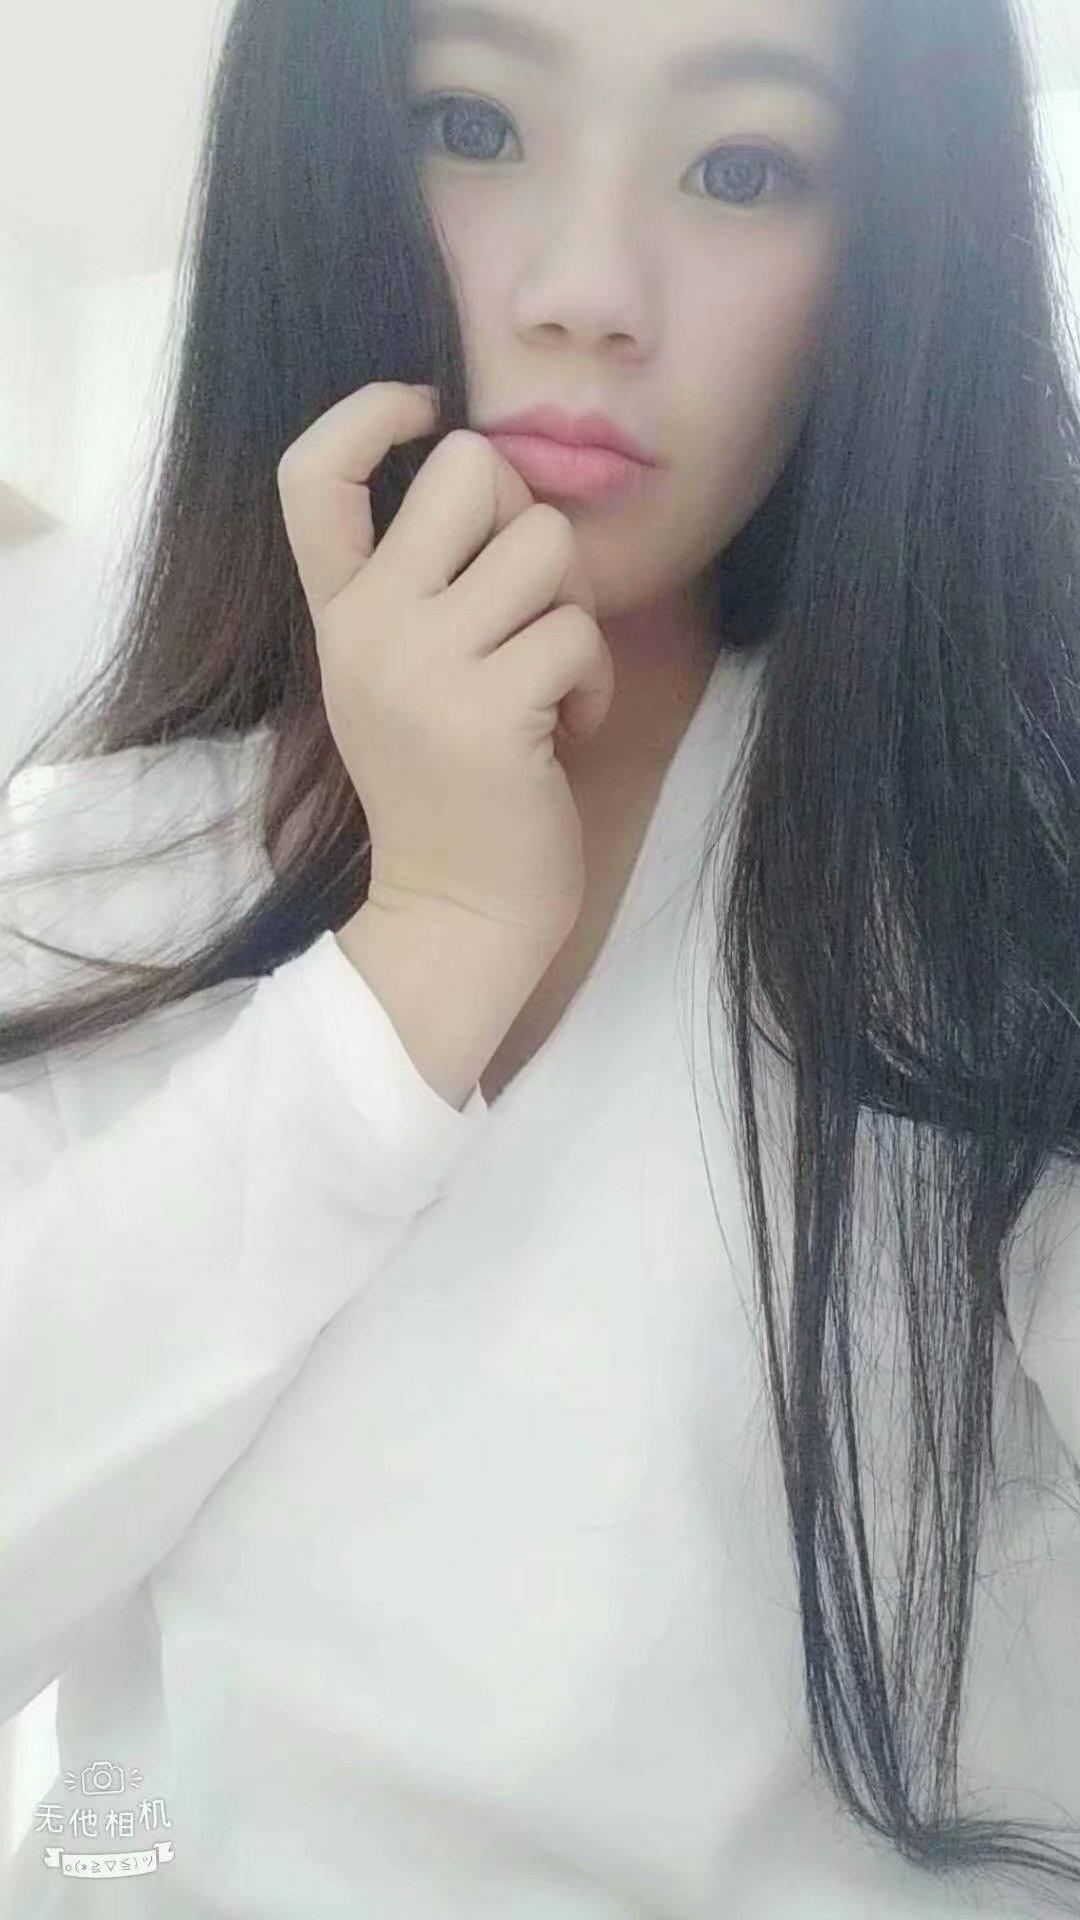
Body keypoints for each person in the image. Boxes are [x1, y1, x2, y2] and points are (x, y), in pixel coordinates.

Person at [3, 0, 1080, 1912]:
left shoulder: (1006, 897)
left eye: (742, 167)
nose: (589, 292)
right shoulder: (99, 872)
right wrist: (424, 951)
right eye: (475, 129)